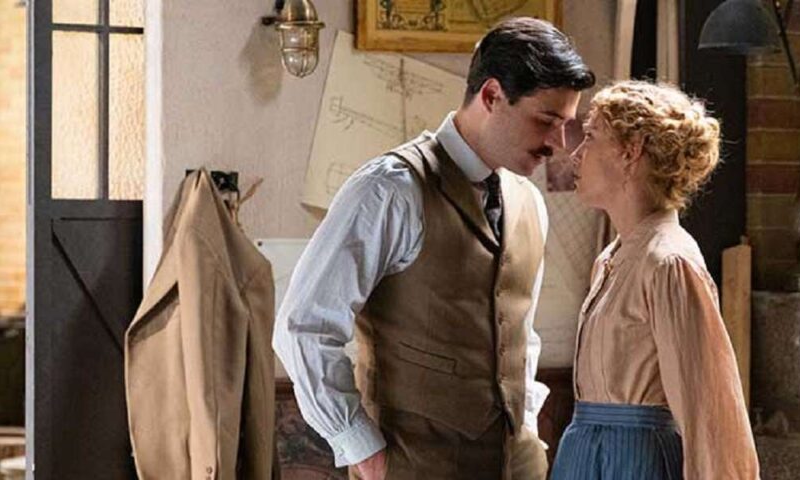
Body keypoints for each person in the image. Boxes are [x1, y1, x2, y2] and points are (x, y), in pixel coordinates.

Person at [273, 17, 595, 480]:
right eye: (546, 120)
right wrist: (362, 449)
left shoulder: (530, 202)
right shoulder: (390, 189)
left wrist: (525, 426)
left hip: (519, 466)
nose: (557, 144)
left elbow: (519, 336)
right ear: (491, 96)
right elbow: (303, 326)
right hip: (412, 464)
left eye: (565, 124)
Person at [551, 81, 759, 479]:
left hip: (635, 462)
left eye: (591, 137)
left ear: (630, 152)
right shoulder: (611, 258)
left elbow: (709, 408)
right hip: (586, 455)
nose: (576, 154)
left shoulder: (669, 262)